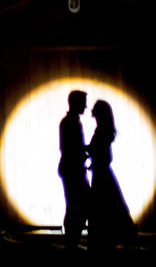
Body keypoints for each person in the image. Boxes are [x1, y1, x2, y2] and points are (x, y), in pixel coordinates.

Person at [87, 100, 137, 250]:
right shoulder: (105, 130)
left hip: (100, 174)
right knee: (111, 206)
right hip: (102, 172)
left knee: (102, 208)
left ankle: (103, 240)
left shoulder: (101, 131)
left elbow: (101, 153)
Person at [59, 90, 89, 249]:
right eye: (84, 102)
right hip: (73, 170)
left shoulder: (69, 121)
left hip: (71, 168)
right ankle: (72, 242)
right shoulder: (70, 123)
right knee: (77, 206)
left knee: (75, 206)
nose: (86, 106)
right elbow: (69, 148)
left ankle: (72, 241)